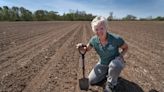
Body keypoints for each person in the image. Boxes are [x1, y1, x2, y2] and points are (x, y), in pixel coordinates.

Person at [76, 16, 128, 92]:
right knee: (91, 81)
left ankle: (111, 84)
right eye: (96, 29)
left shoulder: (116, 39)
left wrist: (120, 56)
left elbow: (126, 48)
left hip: (115, 61)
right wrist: (81, 46)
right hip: (103, 63)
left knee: (115, 65)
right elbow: (86, 49)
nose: (99, 31)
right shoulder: (94, 40)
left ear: (106, 28)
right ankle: (107, 72)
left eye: (101, 28)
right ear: (94, 30)